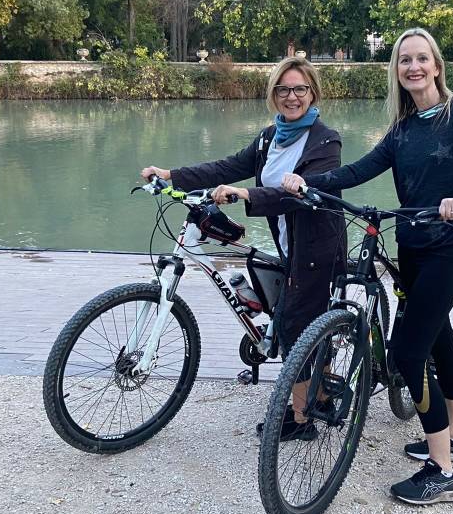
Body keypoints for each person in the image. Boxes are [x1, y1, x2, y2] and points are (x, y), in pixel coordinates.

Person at [282, 27, 453, 505]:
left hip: (448, 250)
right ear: (397, 71)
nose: (414, 67)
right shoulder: (403, 128)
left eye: (422, 58)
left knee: (407, 351)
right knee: (439, 339)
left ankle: (443, 471)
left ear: (437, 65)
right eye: (405, 60)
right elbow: (360, 169)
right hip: (411, 248)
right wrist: (312, 183)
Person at [141, 56, 346, 440]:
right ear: (272, 94)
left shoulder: (325, 140)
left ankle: (303, 420)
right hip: (289, 243)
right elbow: (227, 166)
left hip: (318, 248)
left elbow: (301, 194)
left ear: (313, 92)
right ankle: (321, 394)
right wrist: (172, 175)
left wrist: (245, 194)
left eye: (299, 89)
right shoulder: (270, 137)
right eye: (282, 89)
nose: (291, 97)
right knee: (299, 316)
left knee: (292, 325)